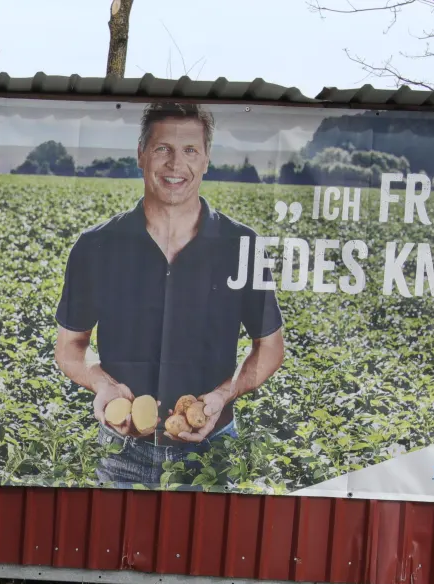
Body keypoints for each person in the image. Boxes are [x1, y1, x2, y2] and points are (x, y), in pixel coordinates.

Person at [53, 102, 286, 488]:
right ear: (141, 155)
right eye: (163, 148)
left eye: (190, 150)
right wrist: (103, 385)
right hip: (121, 454)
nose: (176, 164)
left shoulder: (241, 244)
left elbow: (271, 348)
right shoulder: (96, 245)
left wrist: (222, 395)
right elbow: (70, 347)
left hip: (212, 450)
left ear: (207, 159)